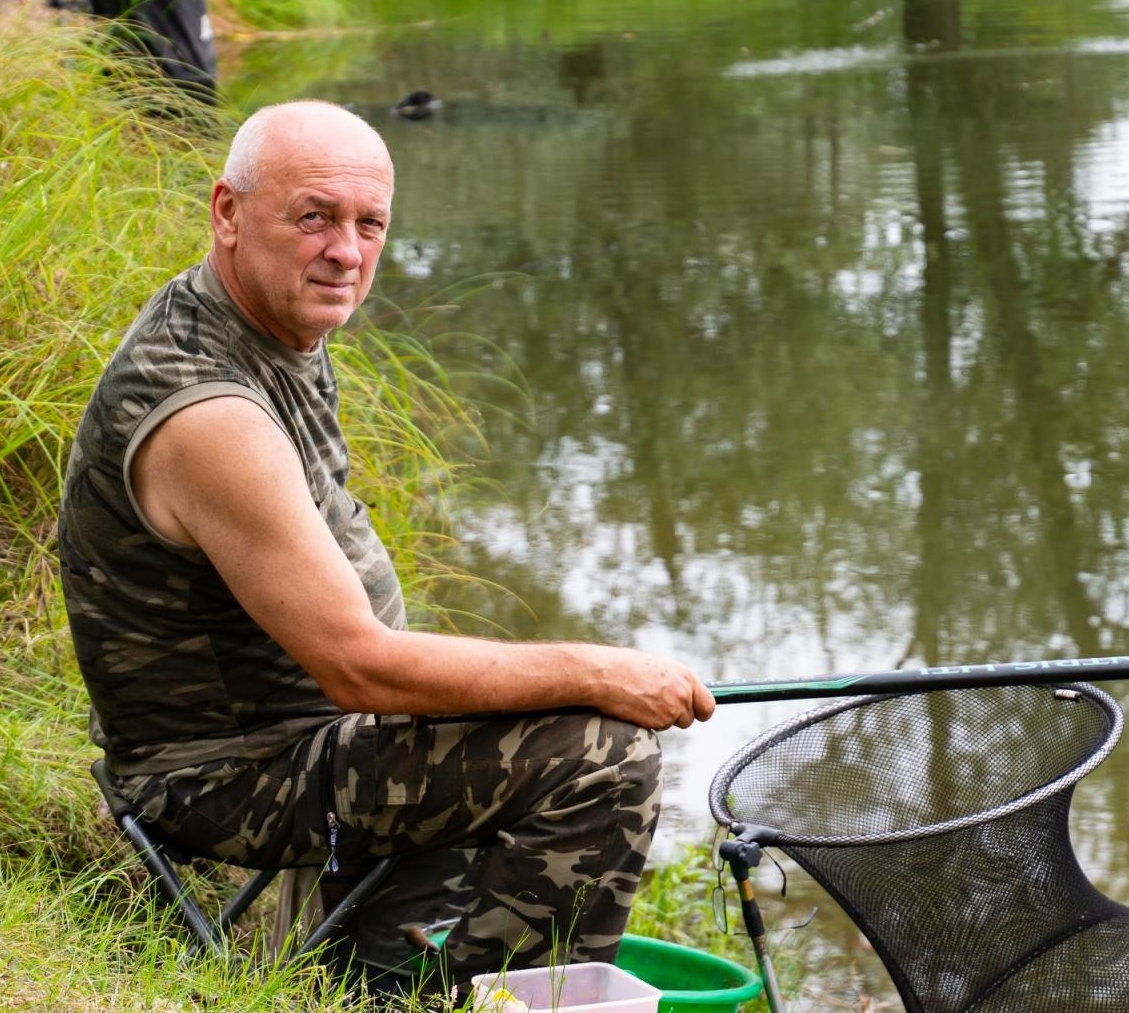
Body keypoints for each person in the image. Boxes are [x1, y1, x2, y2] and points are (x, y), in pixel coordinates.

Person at [57, 100, 715, 991]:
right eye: (314, 218)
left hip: (309, 738)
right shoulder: (211, 412)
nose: (347, 252)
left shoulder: (274, 321)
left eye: (370, 225)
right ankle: (476, 1006)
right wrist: (602, 672)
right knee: (601, 758)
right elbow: (359, 669)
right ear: (228, 214)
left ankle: (379, 980)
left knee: (508, 713)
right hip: (224, 775)